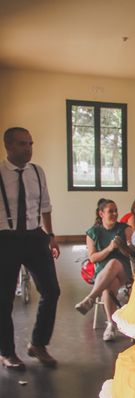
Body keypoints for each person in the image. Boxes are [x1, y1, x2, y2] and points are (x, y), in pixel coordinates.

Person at [0, 127, 60, 369]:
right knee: (4, 300)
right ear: (8, 147)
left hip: (36, 236)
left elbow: (45, 205)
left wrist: (51, 235)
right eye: (23, 144)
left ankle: (38, 344)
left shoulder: (37, 172)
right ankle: (7, 352)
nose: (28, 148)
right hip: (6, 237)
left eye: (30, 143)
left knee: (51, 290)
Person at [75, 199, 133, 341]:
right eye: (110, 211)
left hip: (123, 270)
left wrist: (121, 248)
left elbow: (132, 253)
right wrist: (109, 248)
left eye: (115, 211)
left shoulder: (124, 228)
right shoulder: (93, 232)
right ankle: (111, 325)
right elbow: (93, 258)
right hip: (103, 274)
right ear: (101, 213)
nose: (114, 214)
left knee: (114, 262)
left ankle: (91, 298)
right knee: (109, 285)